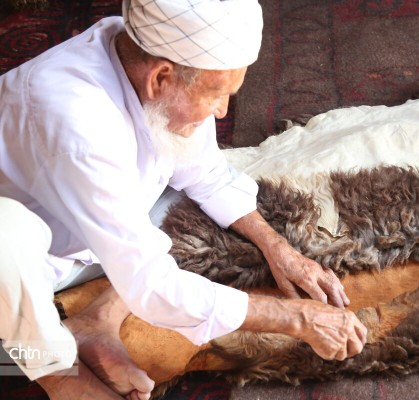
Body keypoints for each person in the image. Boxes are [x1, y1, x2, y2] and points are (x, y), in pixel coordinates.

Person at [0, 0, 367, 399]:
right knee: (6, 246)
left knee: (206, 217)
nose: (222, 110)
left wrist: (280, 250)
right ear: (161, 78)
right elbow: (154, 288)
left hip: (91, 236)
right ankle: (61, 381)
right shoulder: (75, 121)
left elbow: (207, 174)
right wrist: (296, 318)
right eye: (215, 96)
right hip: (26, 262)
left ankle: (96, 321)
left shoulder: (140, 54)